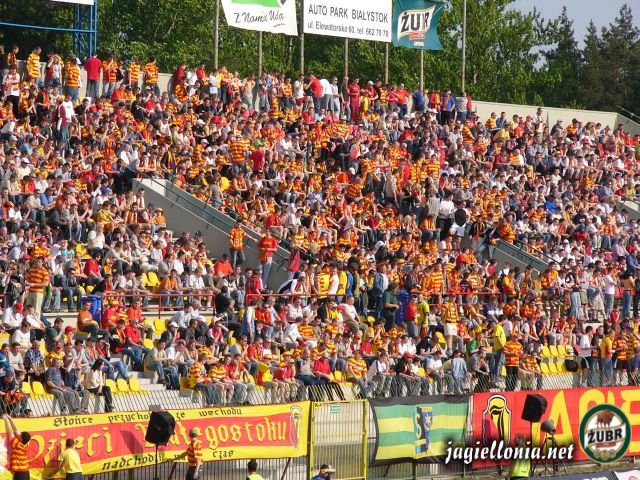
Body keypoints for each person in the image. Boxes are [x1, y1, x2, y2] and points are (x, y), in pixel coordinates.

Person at [3, 413, 31, 480]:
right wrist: (10, 418)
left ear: (21, 439)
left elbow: (10, 431)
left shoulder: (17, 444)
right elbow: (16, 429)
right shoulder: (27, 443)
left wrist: (6, 419)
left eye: (20, 435)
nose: (18, 434)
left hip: (20, 474)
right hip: (26, 472)